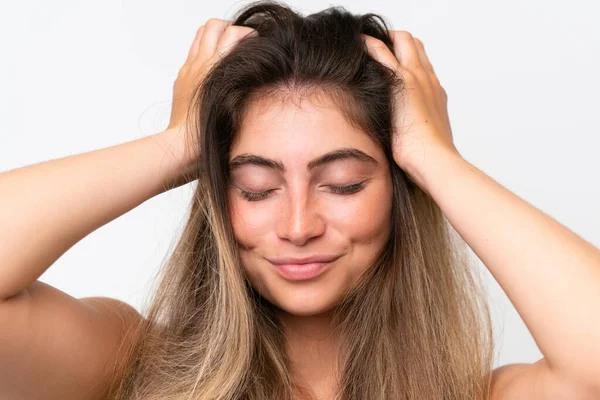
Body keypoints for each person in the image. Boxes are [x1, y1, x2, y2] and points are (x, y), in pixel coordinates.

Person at [1, 1, 599, 399]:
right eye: (255, 187)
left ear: (398, 189)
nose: (297, 225)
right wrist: (182, 143)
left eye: (342, 183)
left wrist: (435, 159)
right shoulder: (128, 365)